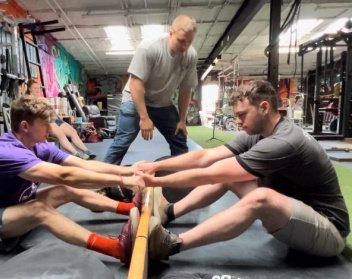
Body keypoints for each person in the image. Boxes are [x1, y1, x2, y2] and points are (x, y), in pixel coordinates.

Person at [137, 80, 349, 260]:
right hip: (295, 216)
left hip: (328, 233)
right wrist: (155, 167)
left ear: (264, 107)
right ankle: (169, 212)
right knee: (230, 177)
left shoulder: (284, 141)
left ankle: (170, 245)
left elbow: (211, 173)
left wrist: (155, 182)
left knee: (260, 196)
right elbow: (206, 156)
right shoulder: (258, 133)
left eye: (242, 115)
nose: (238, 122)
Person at [0, 97, 145, 266]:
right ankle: (117, 249)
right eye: (45, 124)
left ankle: (131, 209)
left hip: (8, 206)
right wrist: (122, 181)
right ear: (25, 126)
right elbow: (66, 175)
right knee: (41, 210)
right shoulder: (6, 153)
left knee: (63, 190)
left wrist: (128, 170)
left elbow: (81, 164)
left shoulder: (39, 146)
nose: (51, 129)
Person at [104, 15, 198, 165]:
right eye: (181, 40)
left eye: (189, 42)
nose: (185, 46)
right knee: (122, 141)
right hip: (135, 100)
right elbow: (136, 83)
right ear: (171, 33)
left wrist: (182, 120)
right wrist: (144, 117)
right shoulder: (150, 47)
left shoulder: (190, 55)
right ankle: (104, 182)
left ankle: (179, 181)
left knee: (179, 137)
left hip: (162, 102)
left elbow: (186, 89)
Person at [26, 79, 96, 160]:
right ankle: (76, 155)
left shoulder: (42, 98)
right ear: (29, 89)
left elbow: (51, 111)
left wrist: (48, 106)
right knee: (61, 134)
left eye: (38, 88)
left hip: (54, 119)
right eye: (35, 88)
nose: (37, 90)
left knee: (72, 131)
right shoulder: (28, 100)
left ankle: (87, 151)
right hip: (44, 121)